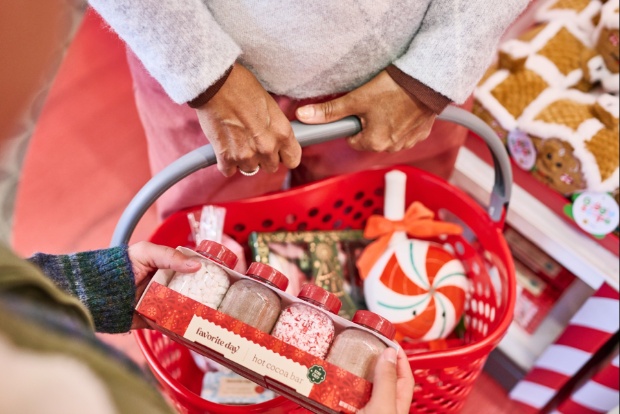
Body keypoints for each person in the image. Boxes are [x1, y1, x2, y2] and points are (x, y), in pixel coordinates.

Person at [0, 4, 414, 412]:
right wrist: (205, 77)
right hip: (193, 60)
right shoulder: (44, 388)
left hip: (390, 76)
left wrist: (96, 286)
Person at [88, 0, 530, 219]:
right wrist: (201, 71)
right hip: (203, 65)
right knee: (205, 251)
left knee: (380, 238)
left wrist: (434, 71)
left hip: (403, 81)